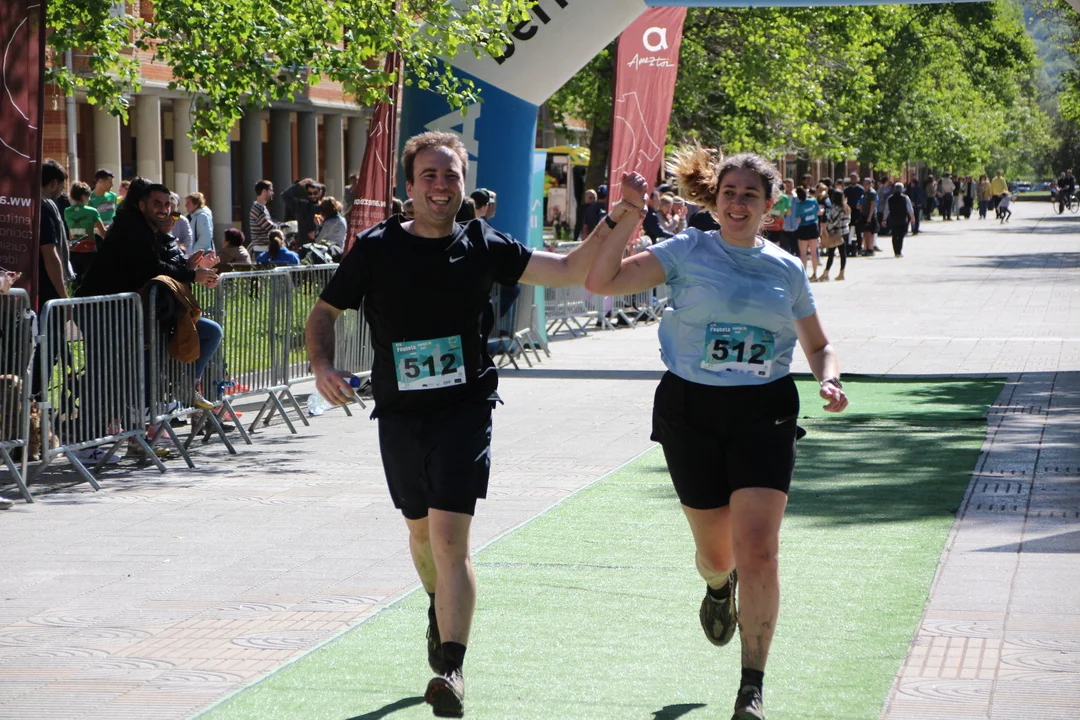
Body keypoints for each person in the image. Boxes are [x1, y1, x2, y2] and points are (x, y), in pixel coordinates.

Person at [305, 131, 649, 718]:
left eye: (451, 176)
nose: (441, 186)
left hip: (465, 409)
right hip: (400, 414)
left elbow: (569, 268)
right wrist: (322, 365)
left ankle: (452, 668)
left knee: (449, 539)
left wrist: (623, 213)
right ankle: (438, 605)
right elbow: (324, 312)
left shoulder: (484, 243)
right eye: (430, 176)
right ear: (410, 186)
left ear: (464, 184)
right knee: (421, 536)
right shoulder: (377, 248)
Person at [585, 147, 848, 720]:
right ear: (716, 199)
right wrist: (629, 212)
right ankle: (717, 586)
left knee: (760, 550)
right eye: (730, 193)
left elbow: (819, 345)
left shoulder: (787, 268)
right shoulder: (687, 249)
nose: (738, 203)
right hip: (691, 410)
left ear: (770, 206)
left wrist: (828, 380)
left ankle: (752, 686)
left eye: (750, 195)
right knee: (716, 554)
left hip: (764, 411)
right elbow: (602, 280)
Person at [63, 181, 108, 282]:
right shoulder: (92, 211)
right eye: (88, 197)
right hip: (89, 250)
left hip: (73, 250)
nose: (89, 199)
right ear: (83, 196)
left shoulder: (67, 211)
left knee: (75, 281)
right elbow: (103, 232)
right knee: (90, 281)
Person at [821, 188, 850, 281]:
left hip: (835, 232)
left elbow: (833, 221)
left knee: (831, 253)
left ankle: (826, 273)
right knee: (843, 253)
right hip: (845, 231)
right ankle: (842, 273)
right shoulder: (846, 207)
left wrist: (828, 228)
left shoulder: (835, 208)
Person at [793, 186, 821, 281]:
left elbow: (798, 219)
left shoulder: (798, 205)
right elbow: (819, 212)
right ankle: (815, 273)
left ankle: (804, 274)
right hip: (813, 227)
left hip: (803, 228)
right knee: (814, 252)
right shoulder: (813, 201)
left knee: (803, 254)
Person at [882, 182, 916, 258]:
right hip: (903, 219)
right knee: (901, 236)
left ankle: (896, 251)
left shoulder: (890, 198)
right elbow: (910, 209)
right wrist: (912, 218)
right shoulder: (905, 198)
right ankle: (899, 251)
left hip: (893, 219)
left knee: (894, 235)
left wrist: (884, 219)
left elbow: (886, 210)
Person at [249, 180, 276, 254]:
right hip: (261, 249)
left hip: (265, 248)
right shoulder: (257, 209)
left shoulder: (262, 207)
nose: (272, 193)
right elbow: (270, 227)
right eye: (271, 190)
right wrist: (287, 226)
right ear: (264, 191)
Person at [858, 178, 878, 256]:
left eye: (867, 184)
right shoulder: (865, 193)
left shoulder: (872, 193)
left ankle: (870, 249)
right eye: (864, 184)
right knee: (865, 232)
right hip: (864, 214)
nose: (865, 185)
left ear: (870, 184)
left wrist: (870, 217)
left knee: (869, 233)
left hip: (870, 215)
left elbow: (873, 205)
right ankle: (866, 248)